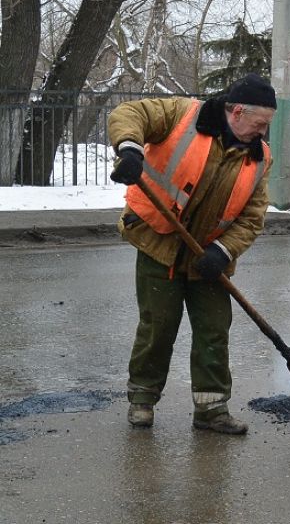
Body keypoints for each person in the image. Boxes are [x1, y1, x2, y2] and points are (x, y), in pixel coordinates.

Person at [107, 73, 277, 435]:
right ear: (236, 112)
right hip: (161, 243)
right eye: (259, 124)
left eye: (267, 125)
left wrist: (223, 250)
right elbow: (128, 114)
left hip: (210, 257)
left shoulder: (259, 157)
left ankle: (211, 410)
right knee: (158, 326)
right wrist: (130, 149)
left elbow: (252, 216)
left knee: (214, 331)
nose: (263, 132)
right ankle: (142, 400)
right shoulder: (182, 115)